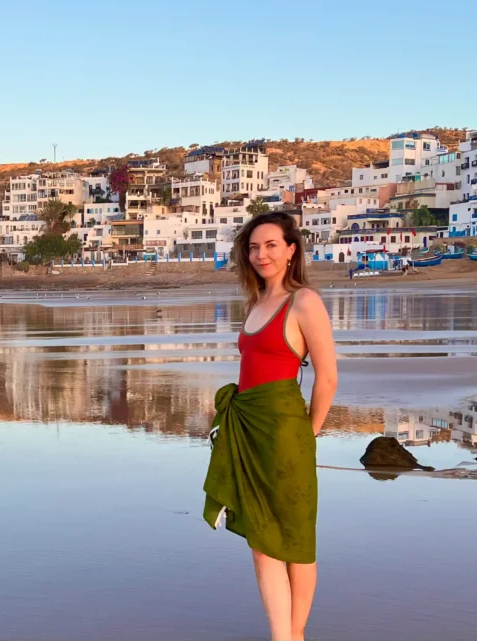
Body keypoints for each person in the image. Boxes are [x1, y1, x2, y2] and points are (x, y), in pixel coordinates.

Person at [203, 211, 338, 641]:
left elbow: (328, 377)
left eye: (271, 245)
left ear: (291, 250)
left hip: (285, 434)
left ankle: (292, 635)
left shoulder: (305, 302)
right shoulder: (257, 303)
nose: (261, 254)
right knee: (262, 544)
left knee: (295, 542)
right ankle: (285, 636)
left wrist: (309, 434)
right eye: (254, 247)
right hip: (247, 429)